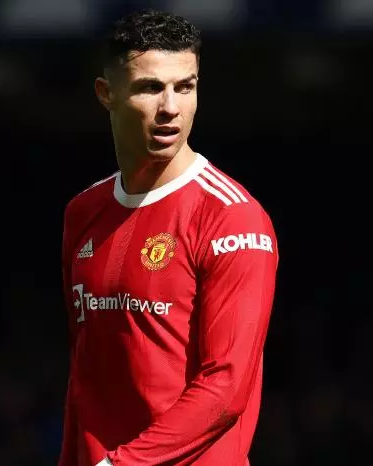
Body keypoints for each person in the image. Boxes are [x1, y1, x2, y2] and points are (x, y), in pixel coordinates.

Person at [58, 9, 279, 466]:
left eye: (185, 87)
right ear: (106, 93)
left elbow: (225, 387)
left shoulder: (232, 218)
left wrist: (120, 464)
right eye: (150, 87)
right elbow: (85, 375)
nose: (171, 108)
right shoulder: (83, 212)